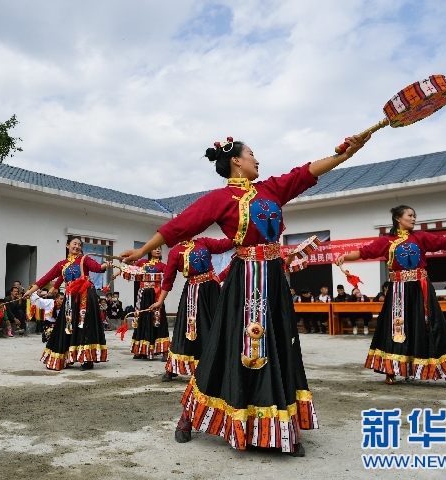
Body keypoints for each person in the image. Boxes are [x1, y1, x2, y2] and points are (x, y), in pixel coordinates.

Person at [119, 133, 370, 456]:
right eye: (252, 154)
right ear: (236, 161)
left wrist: (345, 155)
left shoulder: (271, 190)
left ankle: (280, 426)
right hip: (244, 281)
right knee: (224, 346)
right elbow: (179, 226)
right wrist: (143, 251)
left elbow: (305, 173)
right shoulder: (219, 199)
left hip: (274, 280)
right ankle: (190, 416)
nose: (257, 160)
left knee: (279, 345)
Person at [336, 205, 446, 390]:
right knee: (396, 327)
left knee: (432, 326)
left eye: (414, 216)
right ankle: (391, 368)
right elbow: (364, 252)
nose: (414, 219)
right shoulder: (386, 241)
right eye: (410, 215)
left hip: (421, 289)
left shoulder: (421, 237)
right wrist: (345, 256)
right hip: (398, 291)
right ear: (398, 218)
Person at [23, 236, 112, 371]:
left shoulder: (84, 259)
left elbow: (97, 267)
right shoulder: (62, 264)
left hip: (86, 296)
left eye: (79, 245)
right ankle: (65, 357)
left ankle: (87, 359)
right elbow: (45, 279)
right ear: (67, 246)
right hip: (70, 298)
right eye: (74, 244)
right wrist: (30, 292)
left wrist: (105, 265)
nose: (77, 247)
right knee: (67, 326)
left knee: (84, 325)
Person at [151, 237, 233, 381]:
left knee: (215, 325)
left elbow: (223, 245)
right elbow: (168, 279)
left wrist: (242, 236)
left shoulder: (203, 242)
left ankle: (216, 366)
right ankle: (175, 367)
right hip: (193, 292)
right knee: (188, 329)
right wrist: (160, 301)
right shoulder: (175, 252)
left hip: (212, 290)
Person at [118, 247, 169, 361]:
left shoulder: (163, 266)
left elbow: (168, 279)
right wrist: (123, 262)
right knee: (141, 320)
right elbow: (131, 269)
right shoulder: (142, 262)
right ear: (150, 251)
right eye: (155, 248)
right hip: (143, 295)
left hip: (156, 295)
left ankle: (164, 350)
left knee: (158, 321)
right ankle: (141, 350)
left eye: (159, 249)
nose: (157, 250)